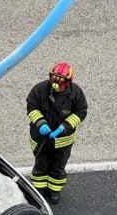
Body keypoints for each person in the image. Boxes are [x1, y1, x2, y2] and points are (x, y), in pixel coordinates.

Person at [26, 61, 88, 205]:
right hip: (41, 138)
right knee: (41, 165)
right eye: (54, 78)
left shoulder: (75, 93)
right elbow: (32, 107)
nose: (56, 83)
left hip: (62, 141)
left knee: (58, 167)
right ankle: (39, 191)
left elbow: (81, 112)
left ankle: (54, 190)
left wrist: (64, 127)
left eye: (60, 80)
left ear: (68, 82)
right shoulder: (39, 89)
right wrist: (40, 123)